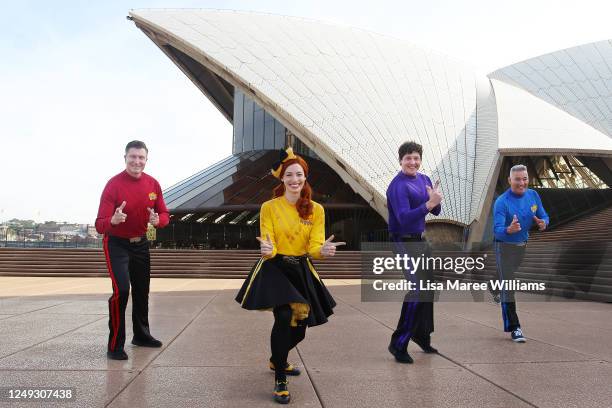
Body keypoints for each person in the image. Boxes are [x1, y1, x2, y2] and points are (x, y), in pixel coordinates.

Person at [235, 147, 342, 404]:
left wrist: (324, 251)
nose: (294, 180)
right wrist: (267, 249)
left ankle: (276, 359)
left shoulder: (316, 209)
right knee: (283, 316)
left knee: (300, 330)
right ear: (281, 178)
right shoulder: (269, 207)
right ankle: (280, 377)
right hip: (275, 267)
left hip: (301, 269)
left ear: (305, 178)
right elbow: (267, 242)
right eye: (289, 175)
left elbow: (314, 248)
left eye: (299, 175)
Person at [95, 140, 169, 360]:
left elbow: (164, 214)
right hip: (116, 244)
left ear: (146, 159)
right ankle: (115, 344)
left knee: (141, 291)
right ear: (125, 158)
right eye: (133, 157)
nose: (137, 161)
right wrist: (114, 220)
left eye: (141, 158)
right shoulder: (113, 185)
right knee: (122, 291)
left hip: (141, 244)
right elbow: (100, 224)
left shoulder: (153, 184)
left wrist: (158, 220)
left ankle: (142, 336)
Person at [386, 141, 442, 364]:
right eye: (408, 158)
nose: (412, 162)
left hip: (419, 241)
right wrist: (428, 205)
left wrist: (435, 199)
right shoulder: (397, 186)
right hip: (402, 241)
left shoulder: (425, 179)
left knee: (428, 288)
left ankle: (421, 334)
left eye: (416, 157)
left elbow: (436, 210)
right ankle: (398, 343)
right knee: (418, 290)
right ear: (400, 160)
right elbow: (403, 218)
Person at [493, 164, 548, 342]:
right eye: (517, 179)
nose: (522, 183)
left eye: (524, 178)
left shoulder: (533, 195)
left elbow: (544, 215)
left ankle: (494, 282)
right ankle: (515, 327)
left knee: (504, 278)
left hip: (522, 245)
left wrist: (543, 223)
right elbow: (497, 230)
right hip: (504, 247)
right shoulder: (502, 202)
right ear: (510, 180)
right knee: (508, 286)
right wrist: (508, 230)